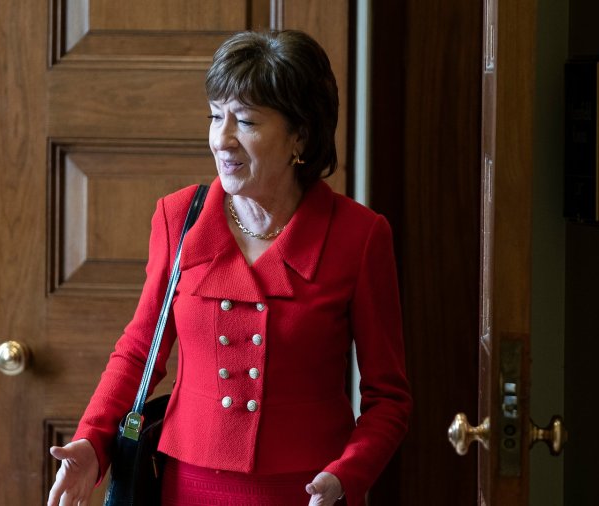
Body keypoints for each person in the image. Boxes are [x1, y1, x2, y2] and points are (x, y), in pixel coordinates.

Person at [47, 29, 412, 506]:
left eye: (245, 120)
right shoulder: (178, 217)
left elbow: (390, 399)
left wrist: (348, 475)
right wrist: (93, 440)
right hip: (187, 488)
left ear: (299, 134)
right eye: (216, 116)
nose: (222, 138)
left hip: (308, 493)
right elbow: (139, 352)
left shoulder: (359, 236)